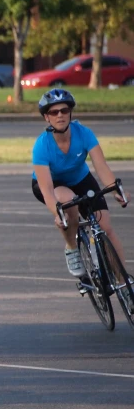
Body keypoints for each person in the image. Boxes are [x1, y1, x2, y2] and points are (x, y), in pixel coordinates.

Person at [31, 88, 129, 280]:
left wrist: (116, 190)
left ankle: (124, 282)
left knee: (106, 228)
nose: (60, 115)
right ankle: (72, 248)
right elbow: (47, 189)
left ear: (70, 113)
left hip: (80, 179)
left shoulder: (84, 133)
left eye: (64, 110)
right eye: (54, 112)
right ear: (47, 118)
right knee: (69, 204)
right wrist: (56, 213)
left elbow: (101, 166)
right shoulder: (42, 146)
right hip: (52, 184)